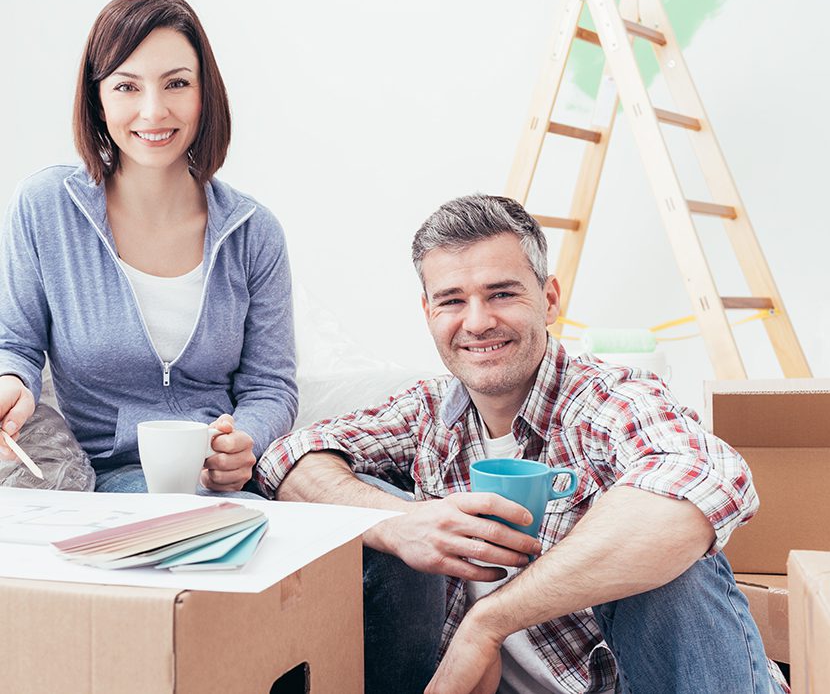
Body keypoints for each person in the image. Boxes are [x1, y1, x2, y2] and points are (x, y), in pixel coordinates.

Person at [256, 194, 788, 694]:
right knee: (367, 502)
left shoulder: (604, 399)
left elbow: (704, 477)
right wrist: (398, 524)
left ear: (549, 299)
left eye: (502, 294)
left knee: (672, 553)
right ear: (428, 314)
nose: (478, 321)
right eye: (452, 301)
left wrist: (487, 622)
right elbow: (290, 457)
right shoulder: (427, 412)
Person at [0, 0, 297, 496]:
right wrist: (11, 385)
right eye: (126, 87)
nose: (153, 111)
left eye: (177, 83)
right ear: (98, 99)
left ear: (206, 94)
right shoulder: (47, 207)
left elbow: (270, 386)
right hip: (111, 478)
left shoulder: (253, 231)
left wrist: (243, 440)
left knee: (385, 533)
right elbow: (14, 345)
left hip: (226, 481)